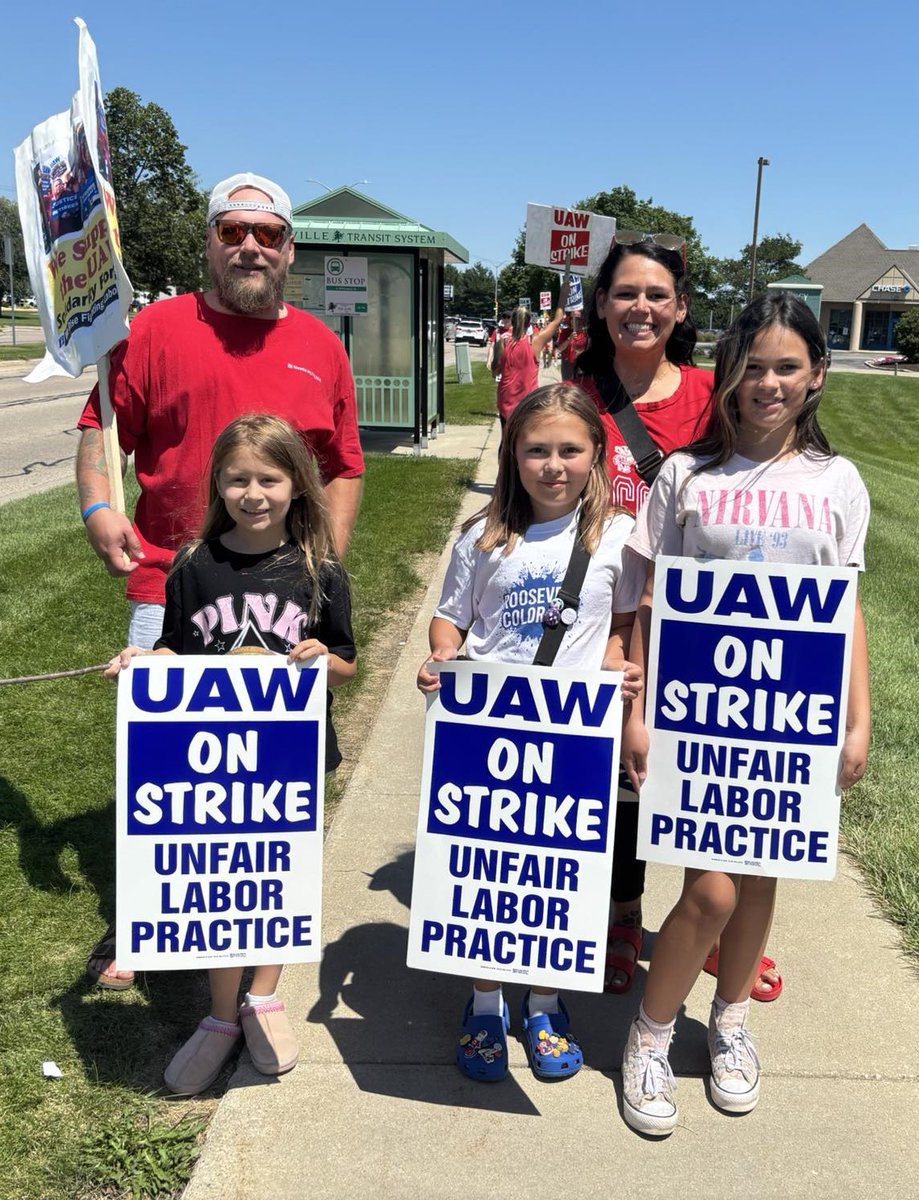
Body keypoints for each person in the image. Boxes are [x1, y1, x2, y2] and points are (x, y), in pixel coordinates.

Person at [78, 171, 364, 990]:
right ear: (208, 240)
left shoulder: (319, 345)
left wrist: (325, 556)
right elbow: (102, 427)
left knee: (269, 776)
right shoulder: (154, 329)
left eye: (265, 234)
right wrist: (99, 505)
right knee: (162, 773)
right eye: (231, 230)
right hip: (172, 586)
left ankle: (259, 918)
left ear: (289, 250)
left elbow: (343, 465)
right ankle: (146, 921)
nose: (248, 245)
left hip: (284, 598)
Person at [617, 294, 870, 1135]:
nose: (767, 383)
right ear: (728, 375)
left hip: (788, 718)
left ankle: (729, 1023)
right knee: (712, 893)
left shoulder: (835, 483)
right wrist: (638, 705)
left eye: (786, 367)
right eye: (752, 366)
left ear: (815, 376)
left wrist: (855, 717)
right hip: (696, 717)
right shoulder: (685, 476)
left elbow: (847, 607)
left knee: (760, 881)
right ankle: (650, 1034)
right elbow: (643, 604)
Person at [104, 414, 357, 1095]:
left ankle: (263, 996)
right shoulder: (195, 564)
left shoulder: (319, 570)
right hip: (211, 763)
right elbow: (175, 651)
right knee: (221, 884)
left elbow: (347, 663)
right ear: (217, 482)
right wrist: (142, 664)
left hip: (289, 760)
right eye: (237, 478)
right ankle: (220, 1015)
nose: (253, 493)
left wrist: (319, 659)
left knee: (274, 878)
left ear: (296, 486)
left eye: (268, 479)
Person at [574, 234, 787, 998]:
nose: (640, 307)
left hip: (699, 619)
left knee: (707, 769)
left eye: (656, 295)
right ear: (599, 305)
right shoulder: (574, 395)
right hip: (599, 610)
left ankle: (711, 921)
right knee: (616, 777)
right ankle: (623, 910)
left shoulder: (710, 394)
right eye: (625, 293)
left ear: (680, 308)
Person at [416, 384, 644, 1082]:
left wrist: (617, 664)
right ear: (513, 455)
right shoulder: (480, 539)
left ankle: (544, 1000)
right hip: (485, 739)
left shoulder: (618, 539)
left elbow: (620, 624)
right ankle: (484, 1001)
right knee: (486, 874)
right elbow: (450, 620)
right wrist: (441, 657)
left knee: (557, 875)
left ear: (596, 456)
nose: (553, 465)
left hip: (573, 739)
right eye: (536, 449)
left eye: (569, 450)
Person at [493, 275, 570, 431]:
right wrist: (563, 293)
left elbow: (495, 371)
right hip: (528, 401)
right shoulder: (535, 341)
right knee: (525, 441)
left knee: (506, 439)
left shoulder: (503, 342)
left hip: (506, 398)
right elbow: (557, 320)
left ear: (512, 321)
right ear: (529, 323)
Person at [555, 309, 587, 382]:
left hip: (580, 364)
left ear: (580, 321)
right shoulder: (565, 332)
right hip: (567, 365)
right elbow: (559, 349)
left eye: (576, 320)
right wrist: (569, 339)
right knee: (568, 387)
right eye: (572, 319)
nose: (574, 322)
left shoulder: (585, 334)